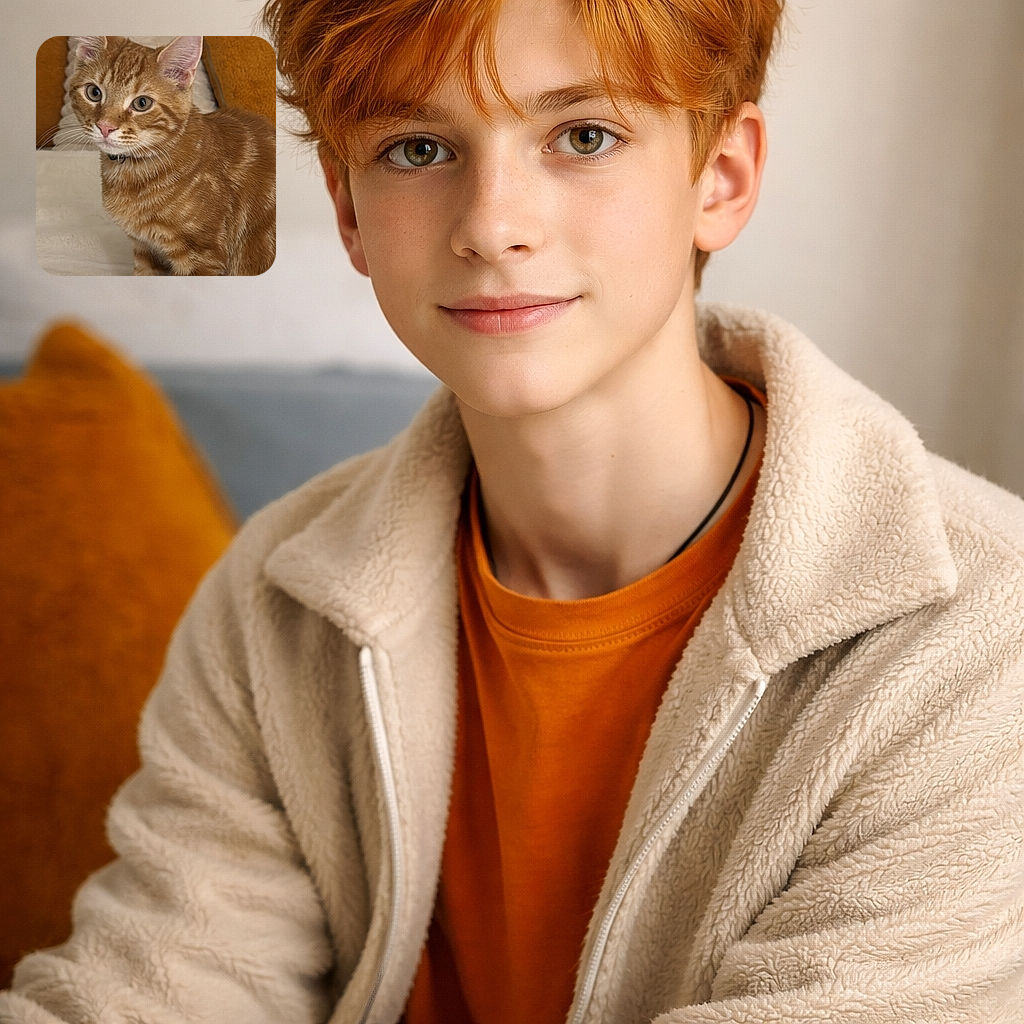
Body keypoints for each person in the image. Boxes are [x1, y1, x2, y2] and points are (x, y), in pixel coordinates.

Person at [3, 0, 1023, 1021]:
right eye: (416, 147)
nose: (491, 224)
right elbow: (159, 992)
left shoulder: (979, 637)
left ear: (721, 175)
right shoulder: (274, 603)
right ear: (348, 211)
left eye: (583, 136)